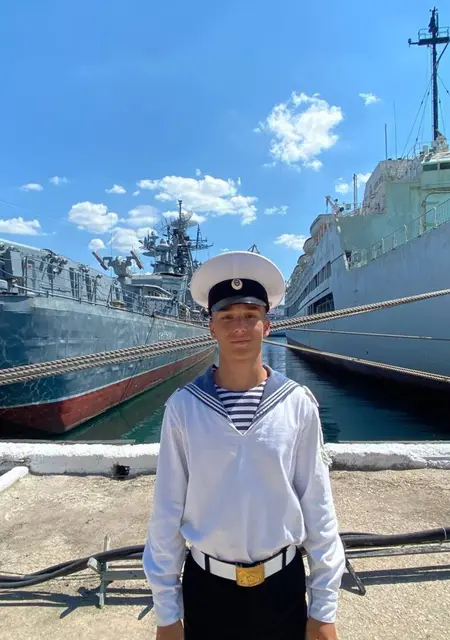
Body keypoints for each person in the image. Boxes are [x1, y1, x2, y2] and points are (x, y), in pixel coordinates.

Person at [143, 250, 346, 640]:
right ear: (211, 328)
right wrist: (166, 614)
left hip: (283, 587)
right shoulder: (184, 407)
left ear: (267, 326)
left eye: (250, 316)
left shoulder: (297, 403)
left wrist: (323, 609)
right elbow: (167, 511)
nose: (239, 327)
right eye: (227, 317)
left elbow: (318, 507)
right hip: (207, 590)